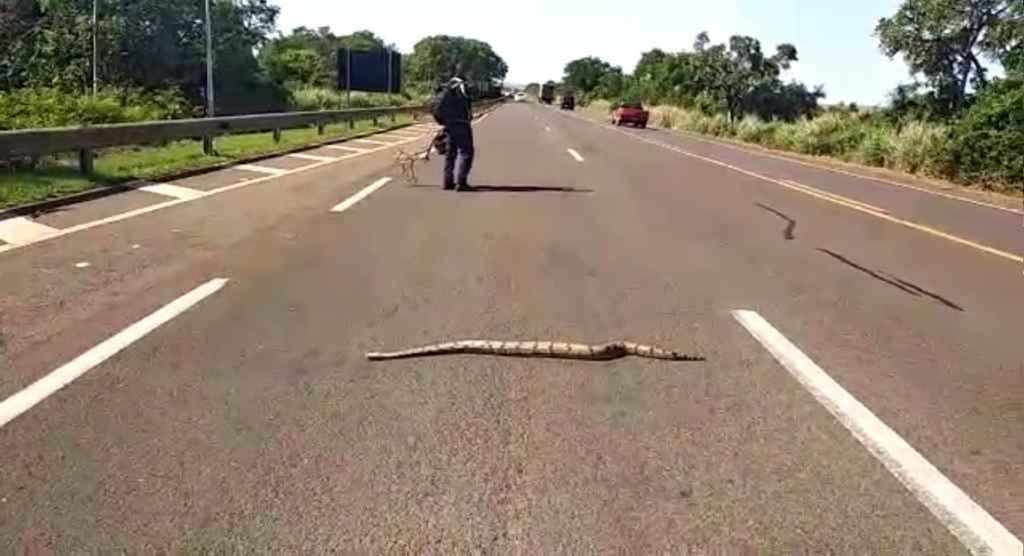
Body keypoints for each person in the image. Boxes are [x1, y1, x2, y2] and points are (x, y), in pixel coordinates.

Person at [431, 65, 475, 191]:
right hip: (461, 124)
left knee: (450, 154)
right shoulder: (462, 85)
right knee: (466, 152)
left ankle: (447, 182)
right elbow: (468, 102)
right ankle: (461, 182)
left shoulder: (447, 86)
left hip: (448, 124)